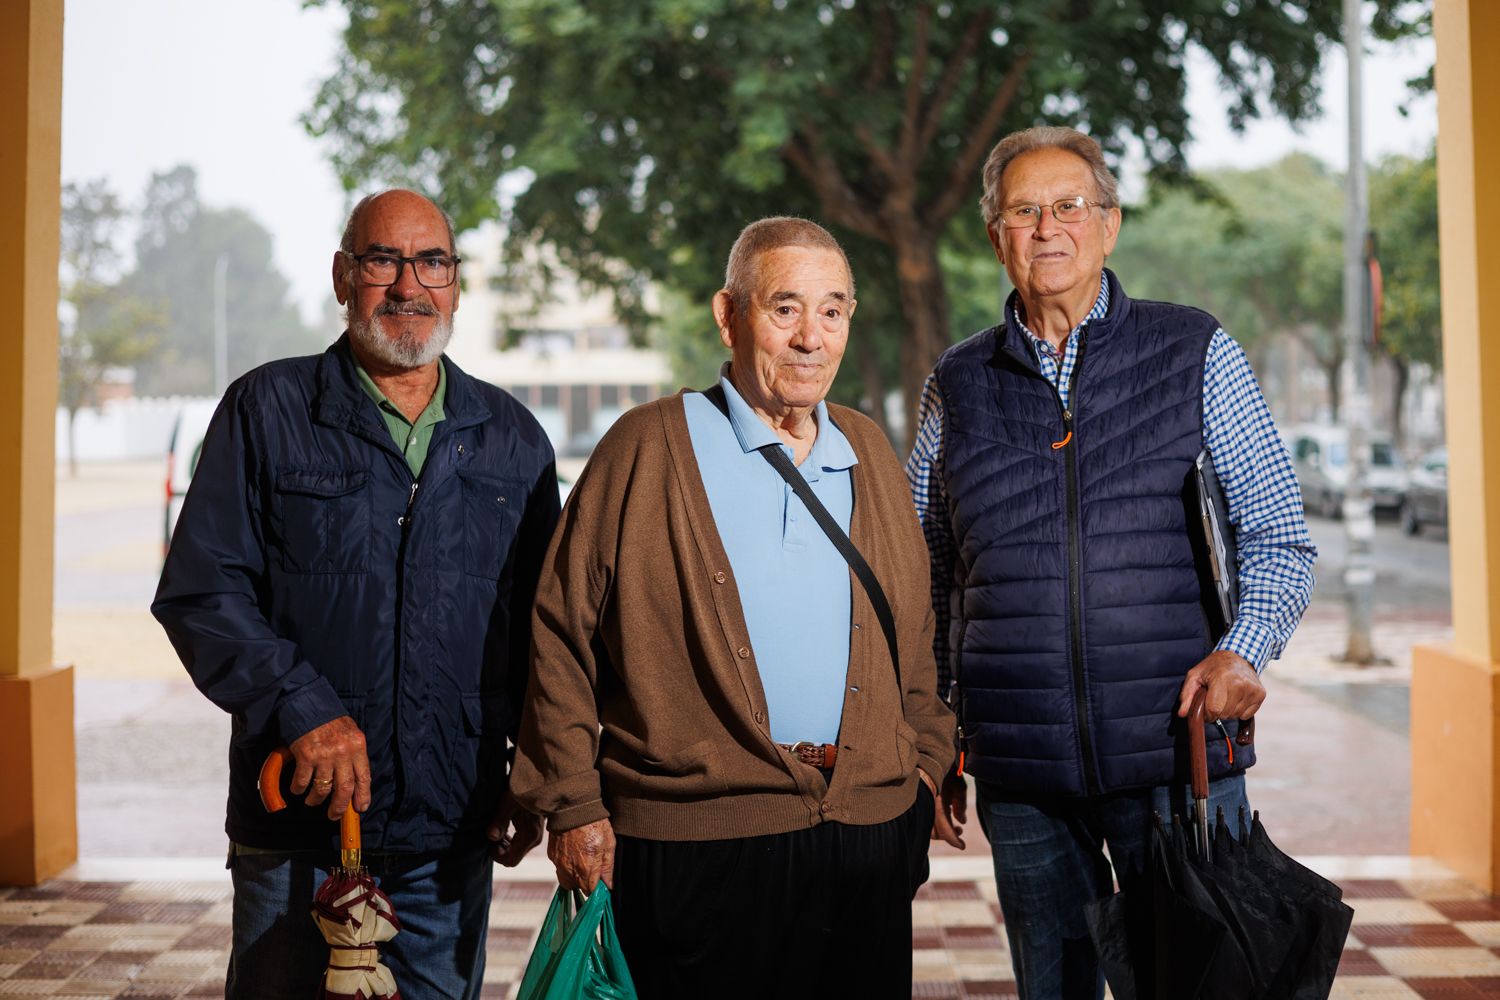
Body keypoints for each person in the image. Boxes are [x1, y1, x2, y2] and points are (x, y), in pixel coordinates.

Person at [906, 127, 1317, 1000]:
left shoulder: (1194, 349)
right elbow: (926, 576)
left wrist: (1243, 648)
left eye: (1069, 206)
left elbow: (1279, 533)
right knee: (1052, 989)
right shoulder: (959, 380)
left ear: (1110, 225)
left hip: (1176, 757)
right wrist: (933, 730)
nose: (1048, 227)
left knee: (1196, 986)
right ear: (996, 236)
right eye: (1023, 211)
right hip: (1019, 776)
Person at [511, 216, 958, 998]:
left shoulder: (870, 453)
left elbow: (915, 639)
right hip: (695, 848)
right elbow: (558, 633)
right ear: (729, 315)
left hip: (867, 837)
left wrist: (921, 771)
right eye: (784, 308)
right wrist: (574, 804)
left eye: (833, 310)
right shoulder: (647, 448)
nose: (810, 338)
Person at [153, 189, 559, 999]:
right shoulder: (267, 410)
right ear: (344, 278)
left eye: (432, 262)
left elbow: (544, 631)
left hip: (449, 837)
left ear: (456, 283)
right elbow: (202, 591)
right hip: (299, 838)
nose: (409, 285)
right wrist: (302, 705)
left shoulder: (512, 439)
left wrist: (536, 770)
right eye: (383, 261)